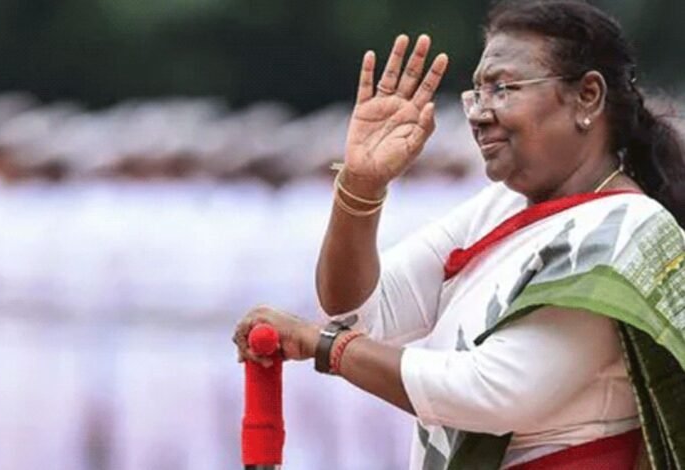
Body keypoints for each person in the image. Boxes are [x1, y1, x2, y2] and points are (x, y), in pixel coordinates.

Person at [233, 0, 685, 468]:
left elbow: (494, 391)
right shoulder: (500, 206)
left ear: (587, 96)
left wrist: (323, 346)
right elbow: (356, 313)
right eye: (477, 92)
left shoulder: (627, 229)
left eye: (503, 88)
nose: (480, 113)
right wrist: (361, 185)